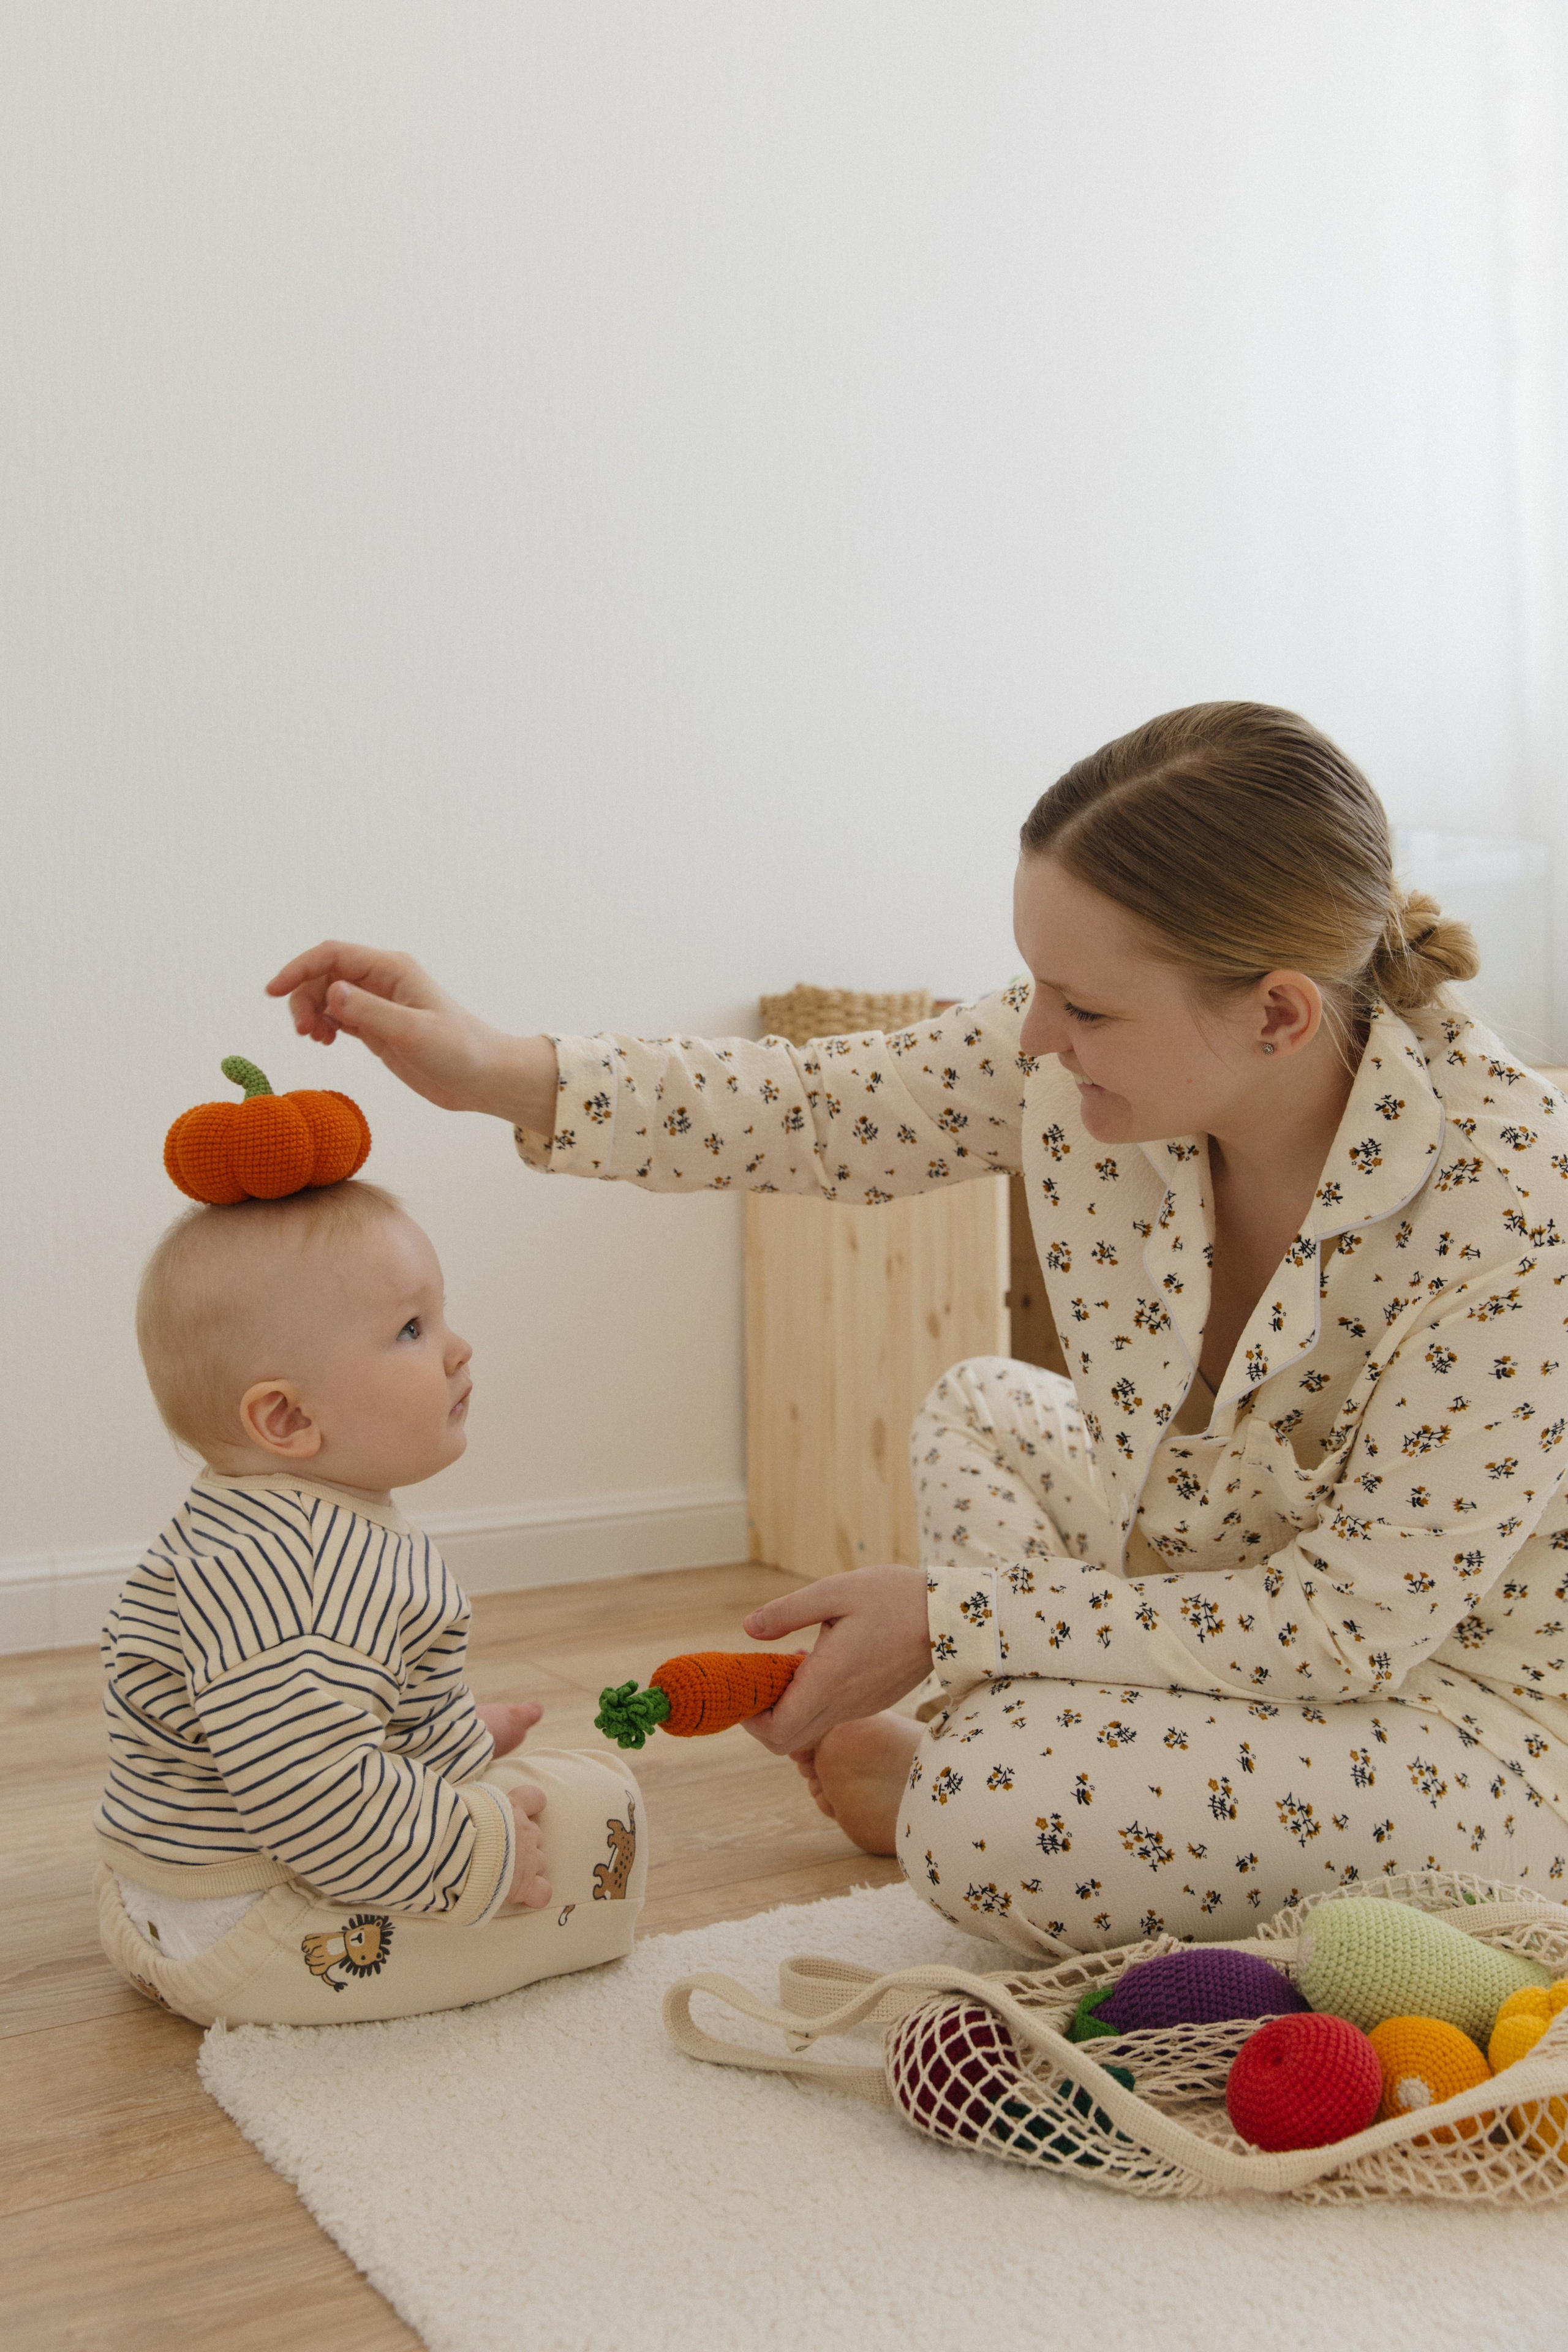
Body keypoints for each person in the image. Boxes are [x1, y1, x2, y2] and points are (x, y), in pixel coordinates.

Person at [268, 702, 1568, 1958]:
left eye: (1086, 1008)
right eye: (1033, 985)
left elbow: (1339, 1630)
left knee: (990, 1823)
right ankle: (1038, 1754)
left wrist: (955, 1619)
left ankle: (981, 1780)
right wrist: (496, 1066)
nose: (1037, 1038)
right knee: (982, 1409)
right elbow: (821, 1107)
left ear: (1274, 1013)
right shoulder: (1071, 1053)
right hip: (1195, 1573)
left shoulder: (1516, 1206)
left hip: (1449, 1708)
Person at [96, 1177, 644, 2024]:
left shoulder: (264, 1518)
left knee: (521, 1791)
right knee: (600, 1809)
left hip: (167, 1889)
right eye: (412, 1331)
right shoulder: (300, 1569)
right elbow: (313, 1793)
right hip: (254, 1934)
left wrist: (455, 1735)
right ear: (286, 1418)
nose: (458, 1349)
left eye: (440, 1315)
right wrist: (476, 1851)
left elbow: (331, 1710)